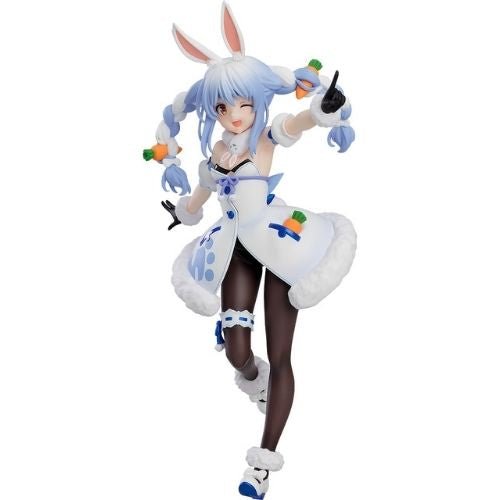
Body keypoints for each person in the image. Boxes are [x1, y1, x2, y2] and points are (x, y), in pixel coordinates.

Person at [146, 3, 356, 498]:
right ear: (213, 111)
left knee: (281, 353)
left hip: (280, 244)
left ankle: (261, 466)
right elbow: (199, 199)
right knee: (238, 352)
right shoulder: (216, 154)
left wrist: (320, 112)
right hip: (235, 247)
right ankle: (255, 382)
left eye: (242, 102)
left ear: (257, 99)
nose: (234, 114)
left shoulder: (263, 136)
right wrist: (184, 212)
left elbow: (295, 124)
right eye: (222, 107)